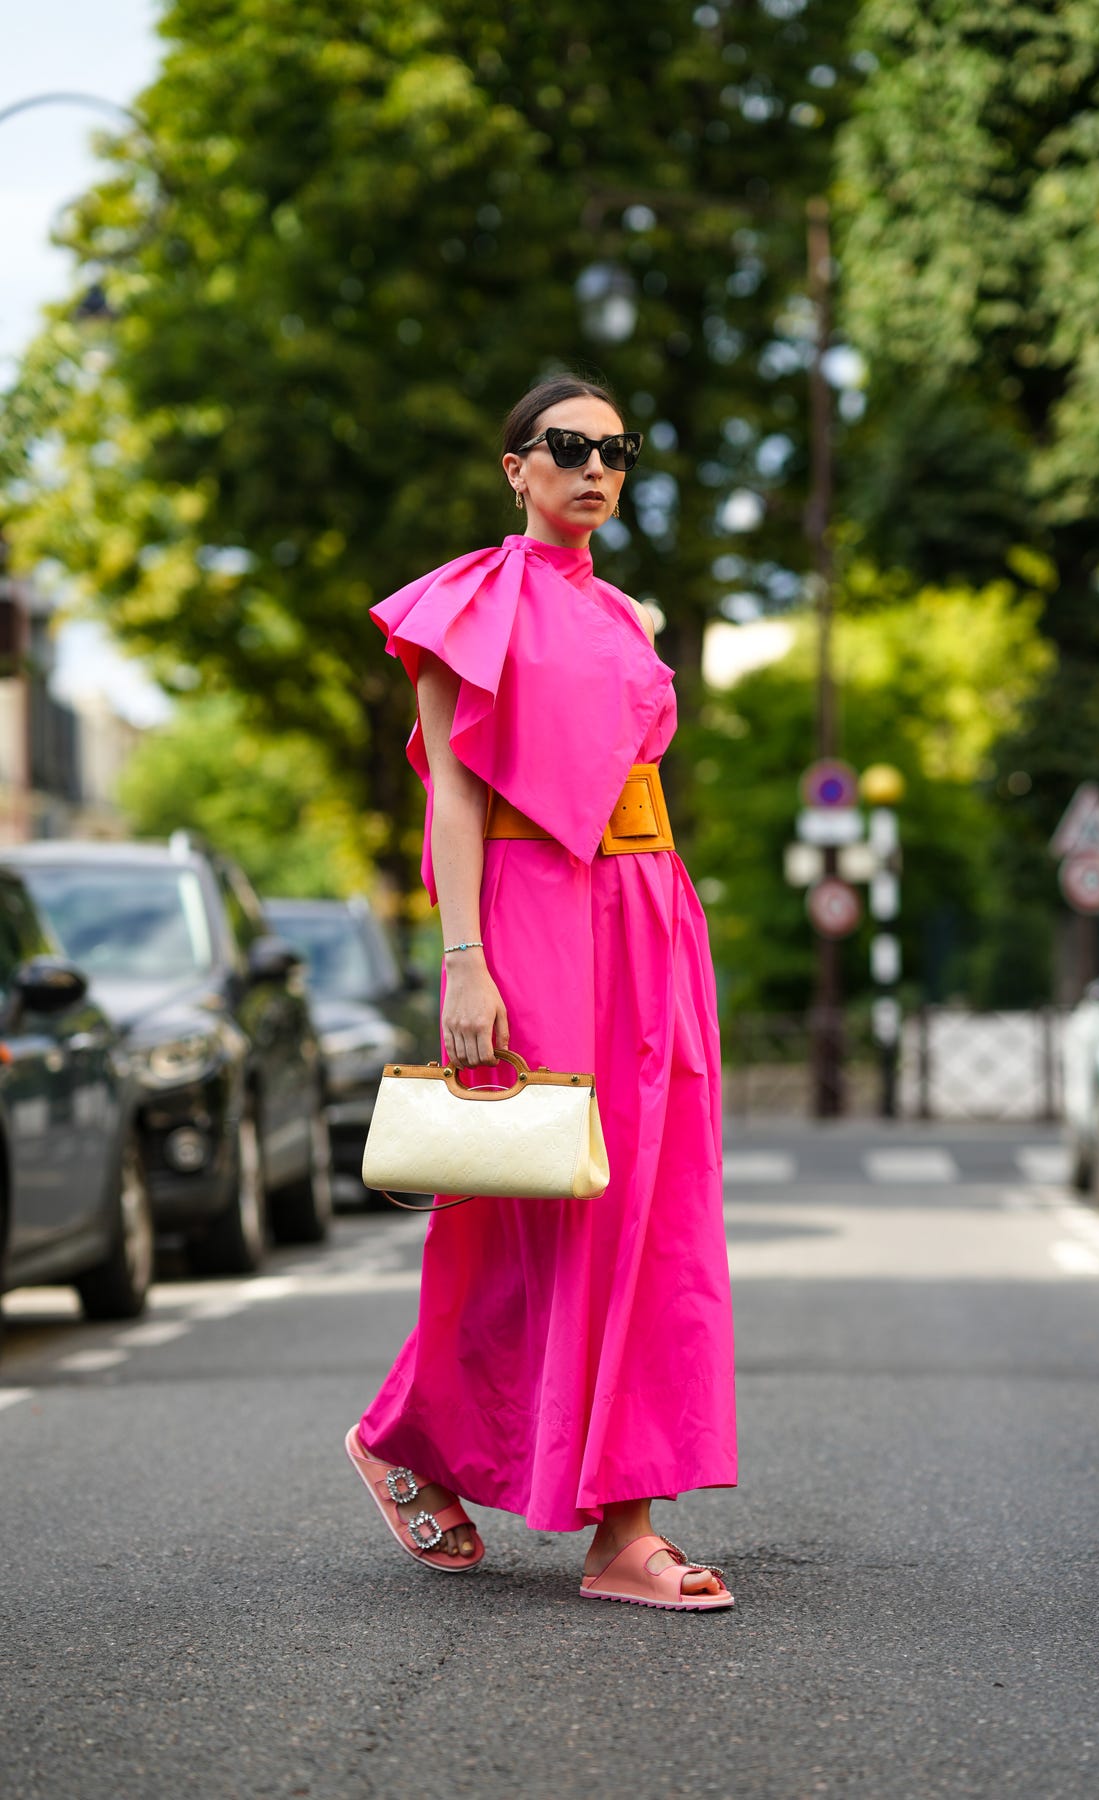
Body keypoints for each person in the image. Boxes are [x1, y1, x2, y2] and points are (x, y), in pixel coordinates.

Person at [345, 374, 737, 1611]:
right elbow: (453, 800)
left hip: (647, 911)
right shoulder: (464, 603)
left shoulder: (625, 612)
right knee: (543, 1212)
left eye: (617, 450)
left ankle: (603, 1513)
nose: (595, 467)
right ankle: (601, 1524)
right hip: (534, 913)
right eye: (568, 446)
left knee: (655, 1216)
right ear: (515, 465)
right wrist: (465, 956)